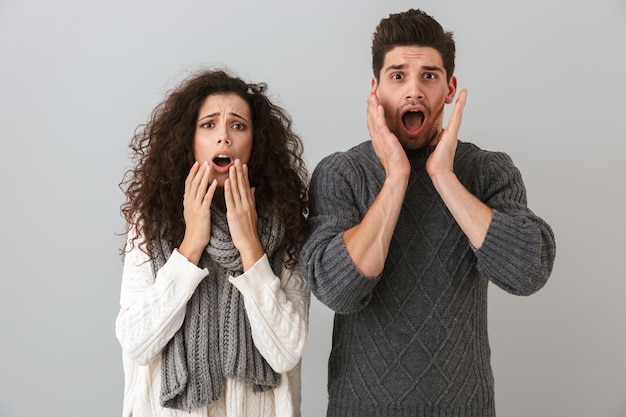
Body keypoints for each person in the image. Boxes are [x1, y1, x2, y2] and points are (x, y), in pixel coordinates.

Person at [301, 8, 556, 417]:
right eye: (398, 76)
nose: (414, 91)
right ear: (375, 88)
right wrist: (397, 177)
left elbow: (528, 271)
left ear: (450, 87)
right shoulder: (341, 173)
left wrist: (444, 177)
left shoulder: (487, 170)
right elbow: (338, 292)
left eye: (430, 76)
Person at [116, 68, 310, 417]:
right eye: (208, 125)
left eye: (238, 125)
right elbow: (137, 343)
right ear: (189, 139)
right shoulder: (151, 222)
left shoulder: (285, 222)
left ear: (256, 142)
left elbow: (286, 351)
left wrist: (251, 245)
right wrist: (191, 244)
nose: (224, 137)